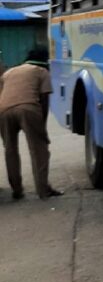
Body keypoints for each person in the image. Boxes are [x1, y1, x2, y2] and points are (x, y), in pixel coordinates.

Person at [0, 46, 63, 200]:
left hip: (3, 110)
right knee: (38, 149)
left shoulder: (9, 72)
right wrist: (42, 126)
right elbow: (44, 100)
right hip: (28, 108)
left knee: (10, 149)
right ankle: (43, 190)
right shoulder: (42, 72)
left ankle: (17, 190)